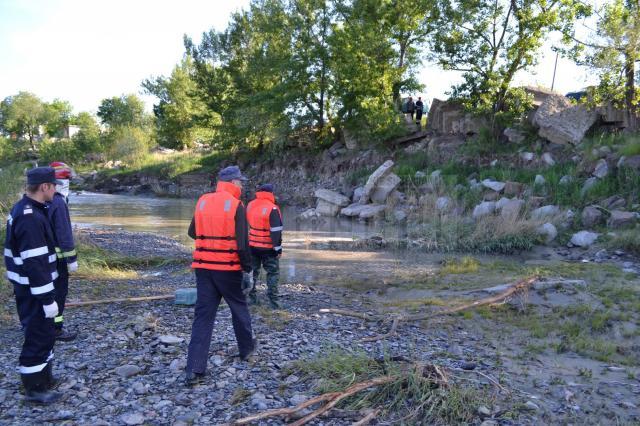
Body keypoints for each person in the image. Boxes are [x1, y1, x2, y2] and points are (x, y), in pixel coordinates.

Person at [184, 165, 256, 386]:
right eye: (240, 182)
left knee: (203, 317)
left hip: (204, 268)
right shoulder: (237, 205)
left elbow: (192, 232)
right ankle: (247, 351)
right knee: (238, 307)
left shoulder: (203, 201)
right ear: (233, 183)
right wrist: (248, 269)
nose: (242, 186)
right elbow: (243, 245)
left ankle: (194, 369)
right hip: (228, 268)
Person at [4, 167, 63, 404]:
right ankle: (34, 388)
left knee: (46, 332)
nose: (56, 189)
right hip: (33, 290)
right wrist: (47, 299)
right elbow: (36, 262)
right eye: (54, 185)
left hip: (35, 288)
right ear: (45, 187)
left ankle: (44, 376)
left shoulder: (32, 210)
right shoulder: (30, 217)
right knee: (37, 335)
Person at [48, 162, 78, 342]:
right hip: (57, 261)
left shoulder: (34, 201)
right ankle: (56, 329)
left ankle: (36, 325)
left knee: (42, 292)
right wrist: (72, 258)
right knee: (58, 293)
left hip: (42, 259)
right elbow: (64, 233)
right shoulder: (59, 202)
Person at [246, 184, 283, 308]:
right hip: (268, 248)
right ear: (271, 193)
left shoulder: (250, 205)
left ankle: (252, 299)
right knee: (272, 273)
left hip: (252, 245)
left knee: (252, 273)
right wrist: (278, 249)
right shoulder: (272, 208)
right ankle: (274, 303)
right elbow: (276, 231)